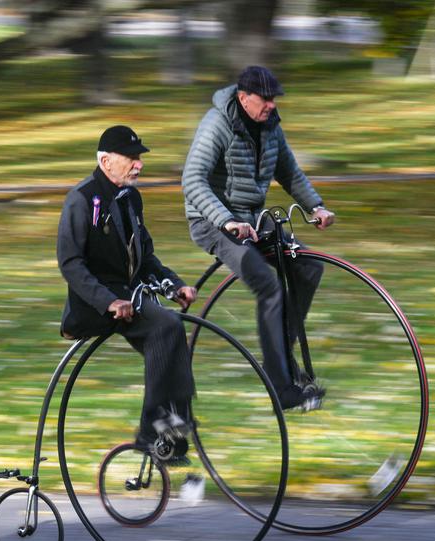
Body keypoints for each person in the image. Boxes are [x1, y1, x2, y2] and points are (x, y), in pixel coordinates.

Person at [182, 65, 336, 411]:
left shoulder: (270, 127)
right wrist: (226, 221)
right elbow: (192, 181)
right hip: (212, 222)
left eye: (273, 98)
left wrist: (316, 206)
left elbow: (289, 171)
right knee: (268, 285)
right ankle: (280, 387)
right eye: (265, 99)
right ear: (243, 97)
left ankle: (279, 355)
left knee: (308, 268)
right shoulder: (217, 124)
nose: (271, 105)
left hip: (254, 220)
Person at [57, 125, 199, 474]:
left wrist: (174, 285)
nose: (138, 165)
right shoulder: (81, 198)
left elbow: (145, 257)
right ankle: (153, 432)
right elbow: (71, 264)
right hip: (93, 304)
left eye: (139, 159)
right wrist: (108, 302)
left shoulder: (131, 199)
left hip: (128, 296)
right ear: (106, 161)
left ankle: (175, 425)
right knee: (165, 324)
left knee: (171, 330)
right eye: (131, 158)